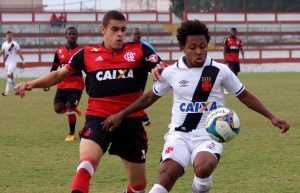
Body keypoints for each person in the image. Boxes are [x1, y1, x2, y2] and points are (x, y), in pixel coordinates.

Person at [102, 20, 290, 193]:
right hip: (179, 134)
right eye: (192, 47)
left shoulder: (220, 70)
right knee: (167, 173)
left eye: (202, 46)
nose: (199, 51)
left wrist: (272, 116)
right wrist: (122, 114)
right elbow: (150, 97)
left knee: (203, 166)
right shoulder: (171, 72)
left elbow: (245, 96)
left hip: (209, 134)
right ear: (183, 48)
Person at [15, 10, 163, 193]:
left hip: (130, 120)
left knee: (138, 186)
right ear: (103, 29)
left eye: (123, 30)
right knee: (86, 164)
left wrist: (158, 68)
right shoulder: (87, 53)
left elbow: (157, 65)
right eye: (115, 29)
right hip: (97, 118)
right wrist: (30, 84)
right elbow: (58, 75)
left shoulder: (139, 49)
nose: (120, 34)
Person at [44, 27, 84, 142]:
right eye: (69, 34)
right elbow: (54, 67)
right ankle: (73, 106)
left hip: (76, 85)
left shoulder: (81, 51)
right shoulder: (59, 51)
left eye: (74, 34)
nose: (71, 36)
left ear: (77, 36)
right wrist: (48, 82)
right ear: (66, 36)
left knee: (69, 107)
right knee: (57, 109)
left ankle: (71, 133)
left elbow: (86, 68)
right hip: (62, 85)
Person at [131, 27, 156, 126]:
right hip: (131, 73)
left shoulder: (146, 46)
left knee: (138, 95)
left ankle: (141, 117)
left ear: (140, 35)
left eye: (138, 34)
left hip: (142, 73)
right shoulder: (127, 46)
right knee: (135, 95)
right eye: (135, 34)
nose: (136, 36)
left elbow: (153, 56)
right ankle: (143, 117)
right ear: (131, 35)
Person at [0, 31, 25, 96]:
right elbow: (1, 53)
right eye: (8, 35)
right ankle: (18, 90)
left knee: (8, 75)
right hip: (7, 63)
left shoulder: (14, 44)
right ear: (6, 36)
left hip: (13, 63)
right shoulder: (4, 44)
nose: (9, 36)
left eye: (11, 35)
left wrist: (23, 61)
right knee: (11, 77)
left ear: (12, 36)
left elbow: (19, 52)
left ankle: (6, 92)